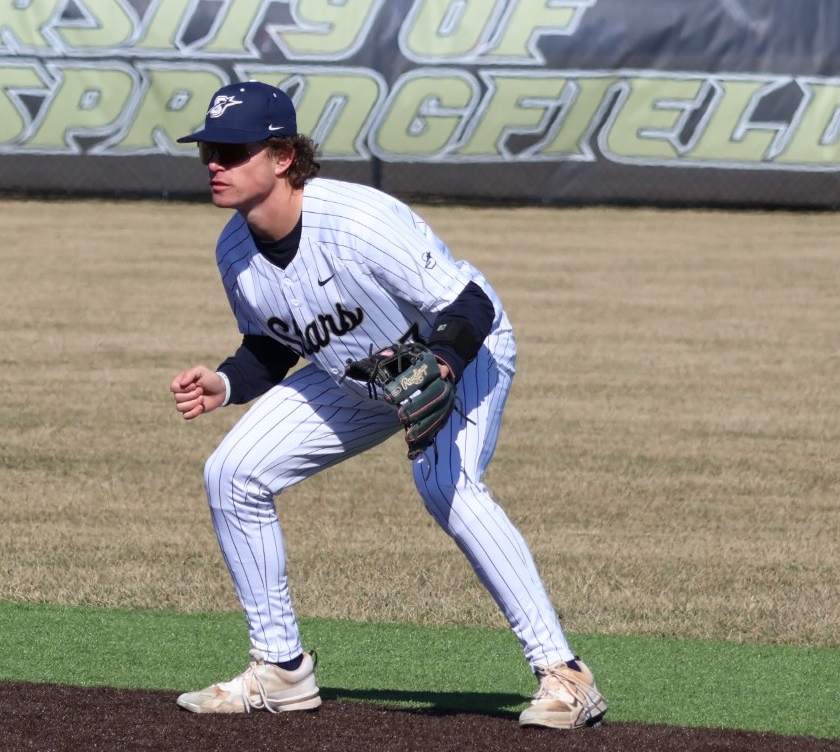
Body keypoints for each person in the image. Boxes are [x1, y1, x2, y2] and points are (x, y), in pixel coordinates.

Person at [168, 81, 607, 729]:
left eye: (232, 151)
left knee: (444, 484)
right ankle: (281, 670)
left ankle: (564, 675)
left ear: (283, 156)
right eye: (209, 148)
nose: (213, 162)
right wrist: (227, 383)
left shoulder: (358, 221)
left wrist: (441, 366)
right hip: (354, 374)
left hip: (458, 350)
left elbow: (470, 305)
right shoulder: (234, 252)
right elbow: (269, 345)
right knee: (232, 473)